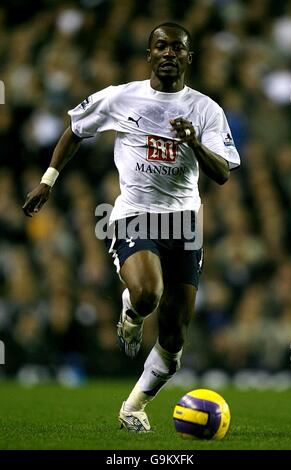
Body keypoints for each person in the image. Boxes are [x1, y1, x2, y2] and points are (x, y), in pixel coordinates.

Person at [22, 22, 240, 432]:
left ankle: (133, 406)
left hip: (185, 223)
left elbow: (224, 173)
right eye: (161, 46)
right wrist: (48, 180)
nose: (169, 53)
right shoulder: (121, 97)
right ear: (150, 54)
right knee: (146, 294)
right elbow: (75, 130)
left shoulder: (207, 110)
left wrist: (194, 142)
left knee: (174, 339)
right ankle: (131, 311)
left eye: (178, 47)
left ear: (189, 57)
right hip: (135, 213)